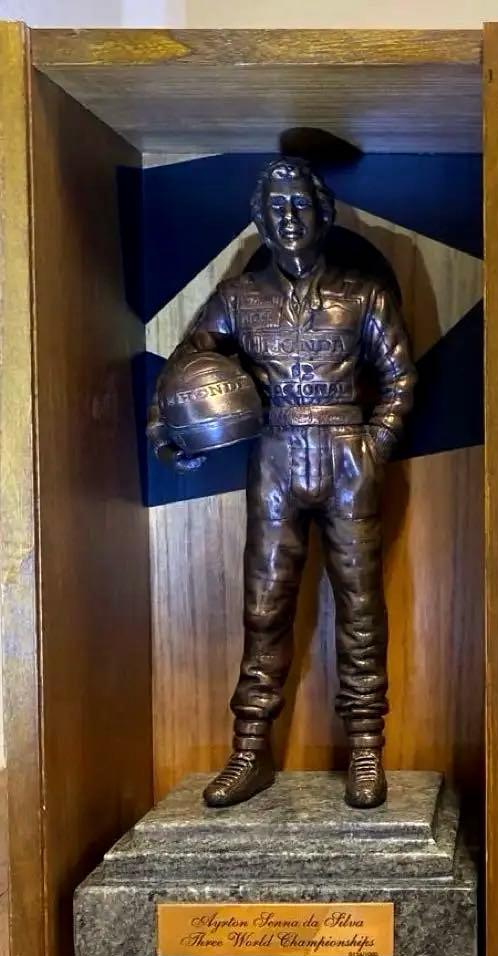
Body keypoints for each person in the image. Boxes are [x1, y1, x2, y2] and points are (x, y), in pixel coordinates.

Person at [147, 157, 416, 809]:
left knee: (360, 608)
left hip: (347, 456)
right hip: (274, 457)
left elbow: (400, 378)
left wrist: (373, 448)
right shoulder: (239, 298)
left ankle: (365, 747)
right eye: (275, 207)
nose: (288, 217)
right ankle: (249, 748)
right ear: (260, 221)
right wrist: (165, 429)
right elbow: (188, 361)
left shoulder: (362, 293)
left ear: (323, 214)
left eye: (299, 204)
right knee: (264, 607)